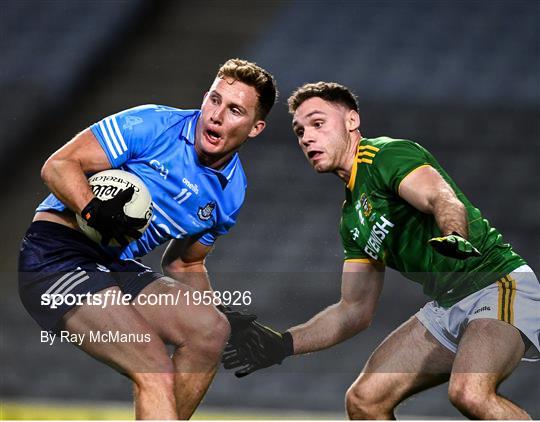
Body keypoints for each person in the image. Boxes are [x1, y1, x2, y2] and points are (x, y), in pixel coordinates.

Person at [222, 82, 539, 420]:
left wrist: (454, 235)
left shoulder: (384, 155)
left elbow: (440, 196)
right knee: (364, 401)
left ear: (352, 121)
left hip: (496, 282)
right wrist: (282, 344)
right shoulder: (351, 219)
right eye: (299, 131)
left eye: (318, 123)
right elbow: (353, 310)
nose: (307, 138)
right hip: (448, 304)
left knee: (469, 393)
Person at [18, 58, 277, 420]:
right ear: (204, 98)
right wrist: (91, 208)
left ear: (255, 127)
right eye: (214, 100)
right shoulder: (154, 123)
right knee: (153, 368)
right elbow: (58, 166)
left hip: (112, 265)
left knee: (210, 332)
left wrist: (217, 312)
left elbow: (186, 262)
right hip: (55, 255)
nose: (216, 115)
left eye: (234, 110)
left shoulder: (231, 192)